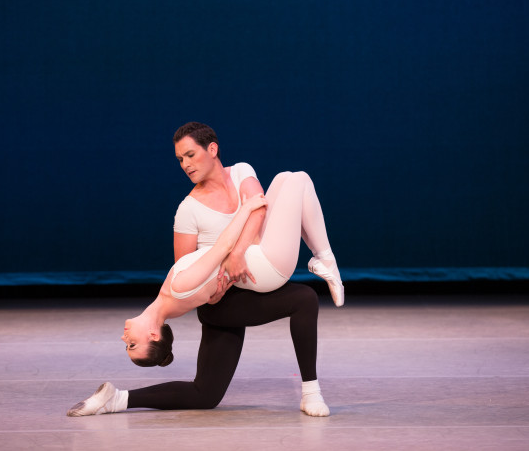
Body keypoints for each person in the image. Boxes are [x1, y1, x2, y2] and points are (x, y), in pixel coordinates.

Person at [68, 122, 343, 417]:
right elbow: (190, 262)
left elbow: (259, 208)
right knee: (296, 183)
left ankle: (117, 400)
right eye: (180, 160)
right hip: (226, 296)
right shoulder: (188, 210)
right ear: (154, 334)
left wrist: (235, 254)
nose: (185, 164)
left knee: (207, 392)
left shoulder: (241, 172)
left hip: (245, 270)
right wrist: (214, 283)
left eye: (189, 155)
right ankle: (324, 259)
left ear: (212, 149)